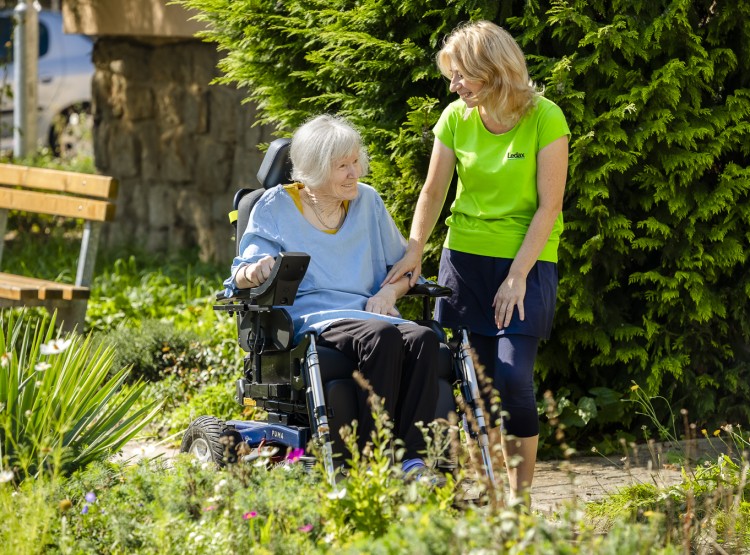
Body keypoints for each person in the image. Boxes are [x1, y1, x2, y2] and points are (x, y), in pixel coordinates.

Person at [384, 20, 570, 502]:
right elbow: (433, 190)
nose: (454, 86)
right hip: (463, 259)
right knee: (476, 385)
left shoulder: (546, 117)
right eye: (452, 77)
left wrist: (517, 276)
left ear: (494, 71)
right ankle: (489, 495)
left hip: (525, 262)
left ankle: (519, 497)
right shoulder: (454, 118)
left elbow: (550, 206)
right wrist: (415, 247)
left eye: (462, 75)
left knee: (512, 377)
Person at [225, 114, 440, 479]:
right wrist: (257, 270)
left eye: (356, 162)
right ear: (313, 170)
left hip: (372, 314)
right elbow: (242, 274)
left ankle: (413, 461)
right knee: (382, 337)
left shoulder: (367, 203)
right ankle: (374, 464)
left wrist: (390, 292)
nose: (355, 172)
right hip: (316, 319)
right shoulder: (274, 207)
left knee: (423, 337)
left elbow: (405, 267)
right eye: (342, 166)